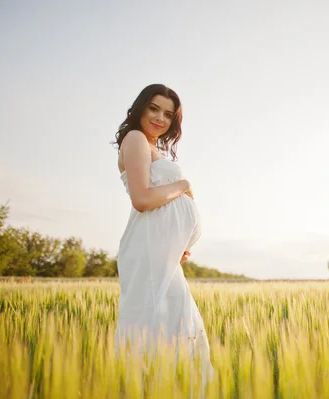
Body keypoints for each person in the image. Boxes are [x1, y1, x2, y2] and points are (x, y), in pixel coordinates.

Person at [111, 83, 214, 385]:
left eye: (168, 114)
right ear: (141, 107)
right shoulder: (135, 139)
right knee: (151, 322)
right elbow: (143, 200)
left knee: (174, 322)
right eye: (154, 108)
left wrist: (180, 239)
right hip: (145, 249)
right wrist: (184, 186)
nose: (160, 118)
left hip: (161, 251)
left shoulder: (152, 147)